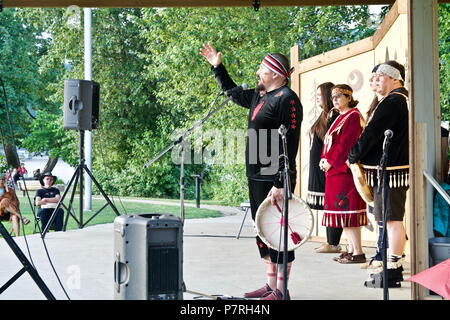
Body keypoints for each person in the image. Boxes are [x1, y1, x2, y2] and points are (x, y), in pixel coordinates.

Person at [200, 43, 302, 300]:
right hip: (256, 173)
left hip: (274, 177)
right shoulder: (259, 95)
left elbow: (291, 142)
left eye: (262, 69)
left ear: (276, 74)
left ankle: (281, 291)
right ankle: (270, 286)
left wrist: (281, 181)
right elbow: (231, 93)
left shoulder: (287, 99)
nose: (257, 72)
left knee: (278, 233)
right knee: (263, 230)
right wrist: (217, 66)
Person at [348, 60, 409, 288]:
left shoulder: (394, 101)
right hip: (385, 169)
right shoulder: (390, 101)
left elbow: (372, 133)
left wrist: (353, 154)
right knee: (387, 218)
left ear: (395, 78)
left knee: (392, 219)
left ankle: (393, 268)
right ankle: (392, 266)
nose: (377, 79)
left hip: (392, 171)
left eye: (381, 75)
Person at [320, 84, 367, 264]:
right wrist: (324, 159)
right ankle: (351, 249)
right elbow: (330, 143)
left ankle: (358, 253)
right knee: (343, 214)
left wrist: (330, 160)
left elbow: (347, 143)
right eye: (333, 97)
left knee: (348, 211)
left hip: (344, 171)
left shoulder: (353, 116)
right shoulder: (339, 117)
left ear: (349, 97)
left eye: (340, 95)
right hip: (334, 171)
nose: (336, 99)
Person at [307, 82, 343, 254]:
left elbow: (334, 142)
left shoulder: (334, 115)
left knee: (331, 204)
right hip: (321, 165)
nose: (317, 98)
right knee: (327, 204)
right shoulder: (326, 114)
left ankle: (333, 243)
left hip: (329, 166)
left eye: (319, 95)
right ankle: (330, 241)